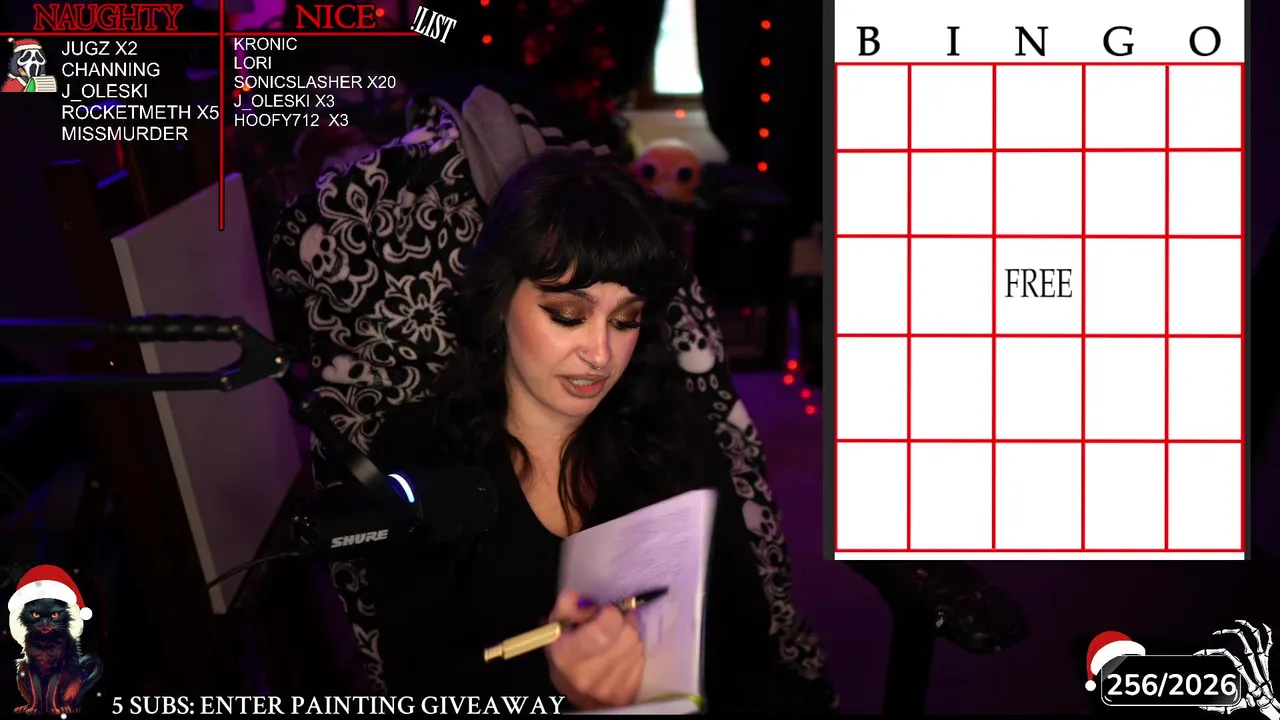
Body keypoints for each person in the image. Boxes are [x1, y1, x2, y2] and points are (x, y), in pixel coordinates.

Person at [363, 149, 836, 713]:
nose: (601, 353)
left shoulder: (672, 431)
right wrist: (564, 693)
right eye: (568, 314)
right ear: (499, 299)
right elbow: (422, 685)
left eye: (624, 318)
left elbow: (743, 644)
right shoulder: (419, 453)